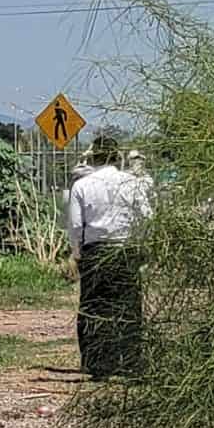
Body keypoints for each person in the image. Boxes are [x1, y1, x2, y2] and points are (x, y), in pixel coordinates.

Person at [66, 136, 152, 377]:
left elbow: (75, 226)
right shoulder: (131, 183)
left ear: (93, 157)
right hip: (124, 249)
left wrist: (77, 254)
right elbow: (147, 216)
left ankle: (96, 363)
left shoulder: (82, 185)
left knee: (93, 306)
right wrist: (142, 245)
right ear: (117, 157)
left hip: (95, 250)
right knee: (127, 307)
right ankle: (129, 361)